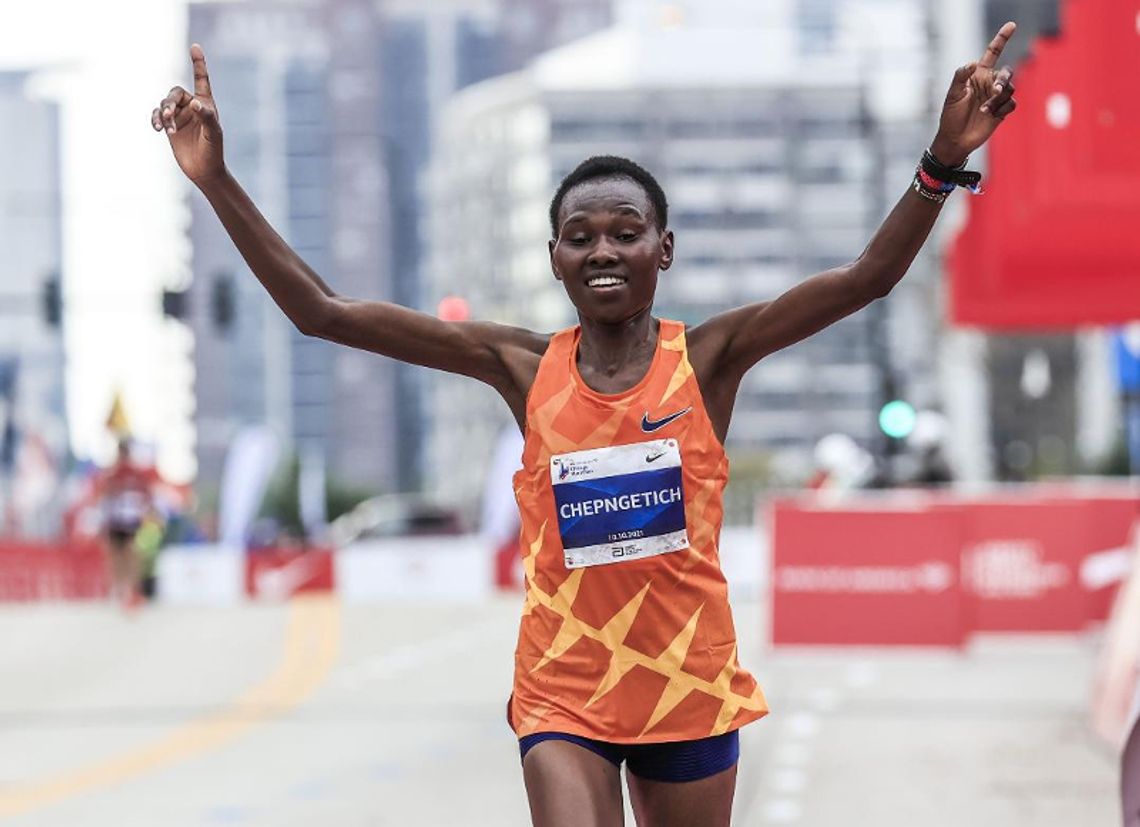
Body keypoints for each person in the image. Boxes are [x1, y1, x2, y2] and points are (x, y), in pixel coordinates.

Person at [153, 23, 1019, 826]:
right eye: (580, 235)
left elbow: (867, 277)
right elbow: (325, 312)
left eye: (625, 232)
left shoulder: (712, 357)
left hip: (686, 680)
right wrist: (216, 180)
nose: (602, 250)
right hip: (563, 688)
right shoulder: (521, 367)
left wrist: (943, 158)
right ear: (555, 257)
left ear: (663, 249)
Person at [93, 438, 162, 608]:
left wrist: (150, 514)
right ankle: (119, 588)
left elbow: (147, 496)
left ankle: (131, 588)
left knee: (130, 554)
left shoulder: (135, 473)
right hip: (116, 520)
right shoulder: (111, 473)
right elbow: (102, 496)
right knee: (117, 556)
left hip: (131, 520)